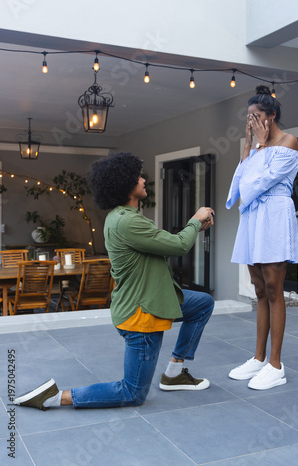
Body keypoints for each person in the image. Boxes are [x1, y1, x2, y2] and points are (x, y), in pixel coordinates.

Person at [14, 152, 215, 411]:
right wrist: (195, 221)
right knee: (132, 393)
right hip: (142, 314)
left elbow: (163, 242)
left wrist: (193, 228)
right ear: (125, 185)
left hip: (154, 299)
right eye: (138, 176)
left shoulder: (121, 216)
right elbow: (177, 245)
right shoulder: (127, 221)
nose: (144, 180)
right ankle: (56, 397)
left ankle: (174, 373)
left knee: (202, 303)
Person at [226, 85, 298, 391]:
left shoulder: (289, 142)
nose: (252, 123)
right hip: (253, 218)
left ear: (272, 115)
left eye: (257, 117)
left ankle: (275, 364)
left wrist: (258, 146)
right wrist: (247, 149)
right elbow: (239, 188)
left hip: (274, 218)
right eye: (248, 118)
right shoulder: (255, 147)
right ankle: (257, 358)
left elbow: (259, 184)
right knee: (258, 288)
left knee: (273, 288)